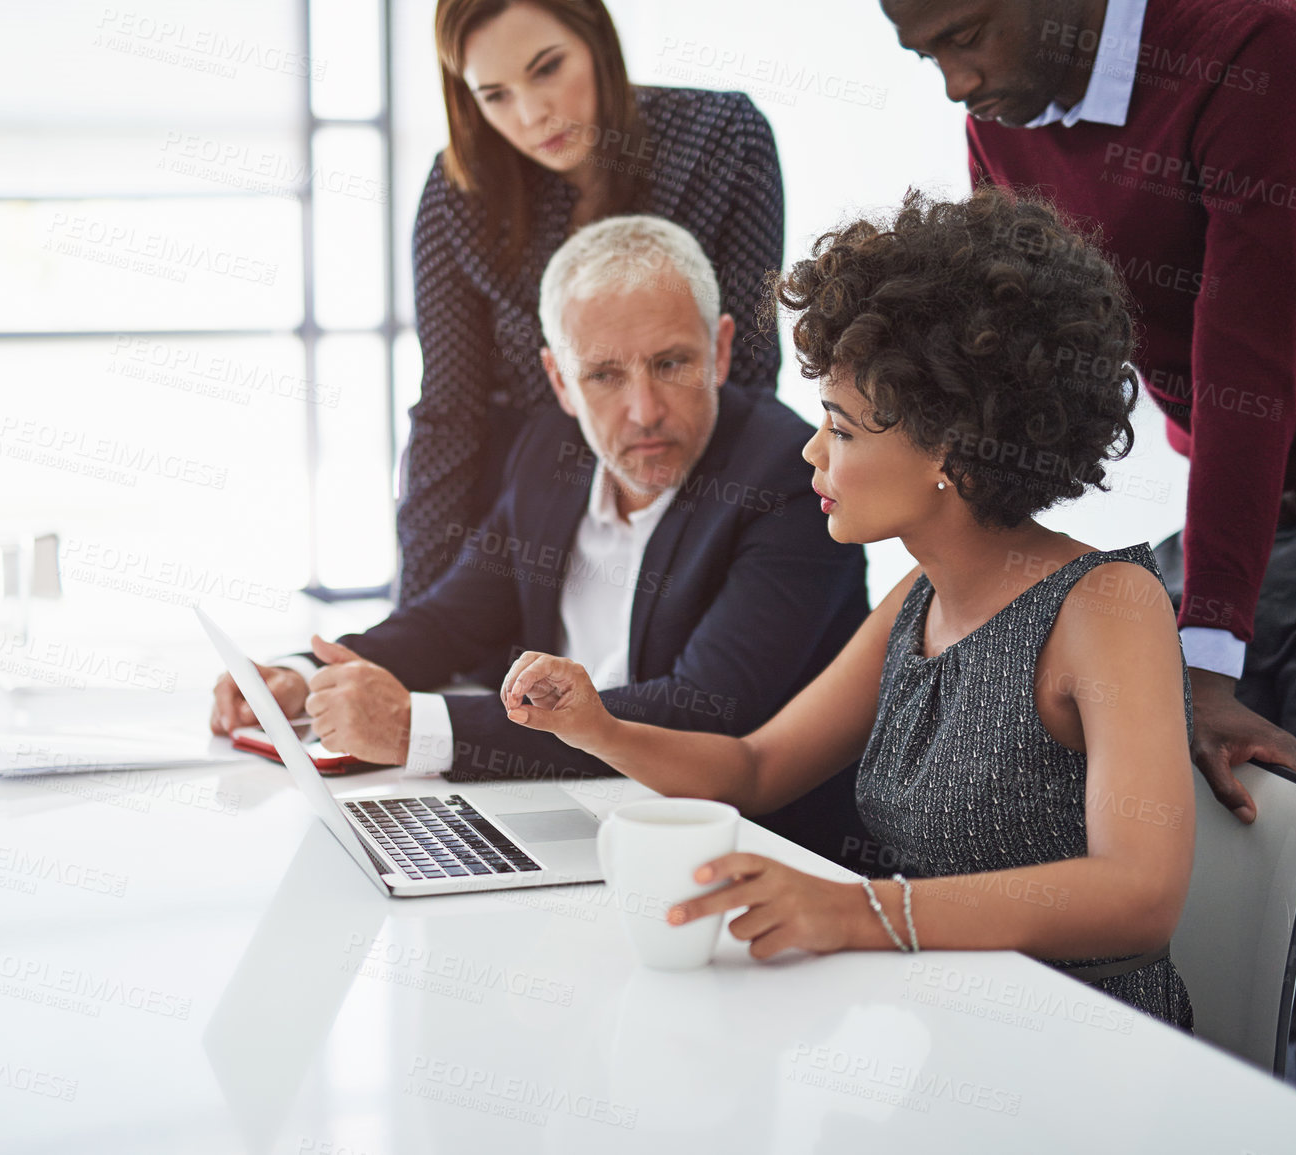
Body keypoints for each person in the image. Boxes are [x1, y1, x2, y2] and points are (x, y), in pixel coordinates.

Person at [880, 0, 1296, 1130]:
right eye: (924, 51)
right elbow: (1009, 360)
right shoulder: (1009, 102)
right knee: (1142, 886)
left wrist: (1206, 655)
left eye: (964, 37)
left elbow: (1249, 369)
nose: (953, 82)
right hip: (1232, 516)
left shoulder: (1248, 45)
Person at [497, 188, 1197, 1028]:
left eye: (842, 428)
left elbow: (1140, 893)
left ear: (951, 443)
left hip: (1082, 1048)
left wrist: (859, 910)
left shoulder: (1107, 606)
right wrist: (592, 725)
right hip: (937, 1027)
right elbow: (753, 768)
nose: (809, 449)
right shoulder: (918, 597)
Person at [214, 215, 868, 856]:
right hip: (571, 806)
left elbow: (706, 710)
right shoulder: (554, 450)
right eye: (603, 375)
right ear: (559, 379)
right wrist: (300, 678)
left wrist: (421, 727)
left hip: (743, 850)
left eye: (671, 363)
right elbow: (452, 619)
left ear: (720, 351)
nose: (643, 409)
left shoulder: (787, 474)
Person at [400, 0, 785, 604]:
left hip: (685, 483)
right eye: (495, 95)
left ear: (597, 42)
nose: (532, 114)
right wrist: (415, 620)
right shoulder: (460, 192)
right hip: (516, 514)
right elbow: (449, 412)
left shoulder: (722, 138)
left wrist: (726, 549)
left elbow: (750, 371)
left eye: (548, 68)